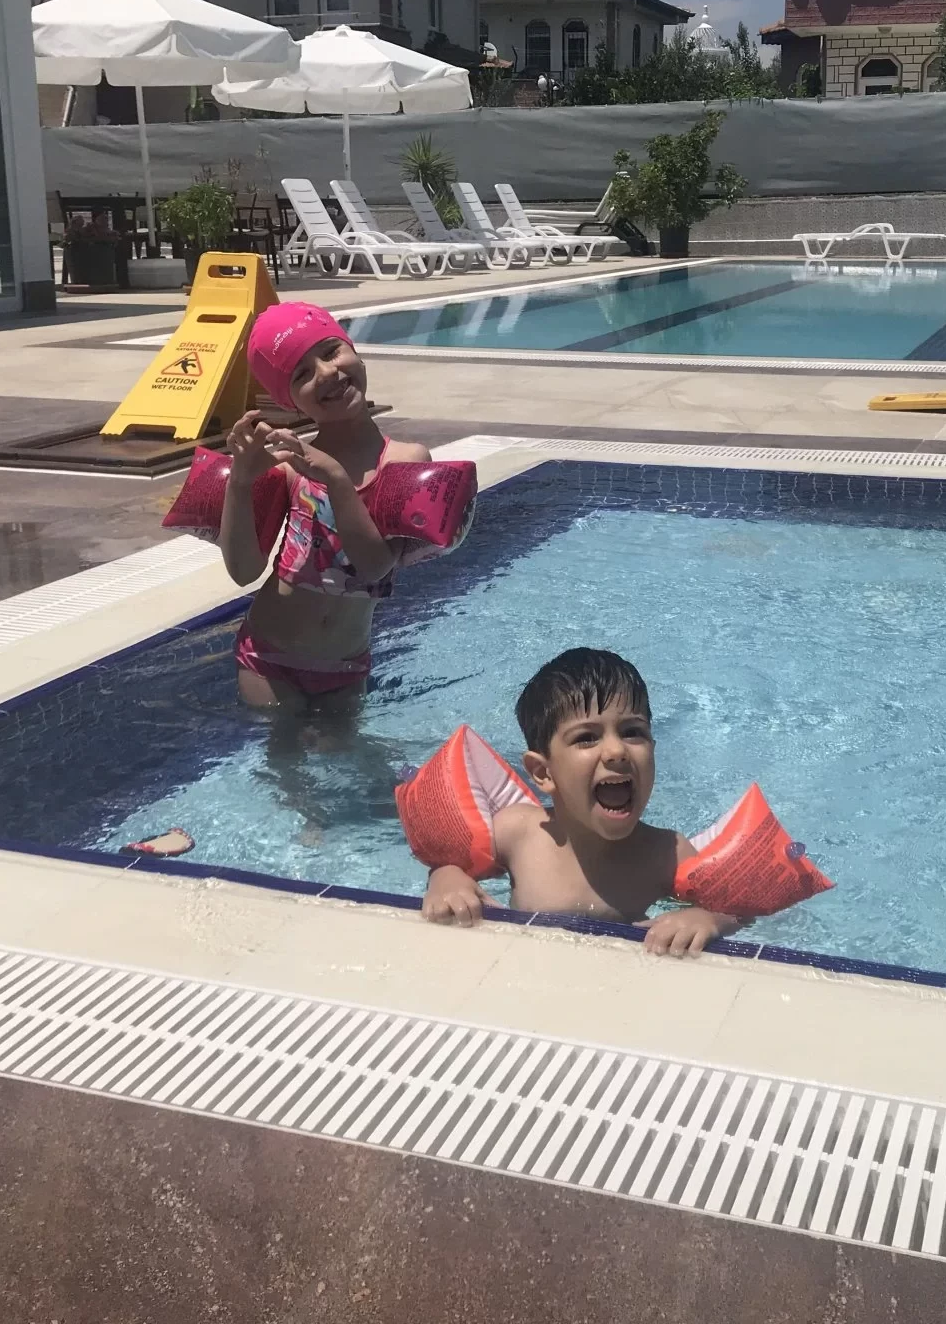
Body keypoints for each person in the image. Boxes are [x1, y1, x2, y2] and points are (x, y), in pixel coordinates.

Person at [420, 649, 743, 957]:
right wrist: (447, 879)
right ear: (543, 772)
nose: (616, 751)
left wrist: (707, 919)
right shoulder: (517, 833)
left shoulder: (666, 853)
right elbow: (452, 866)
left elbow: (735, 909)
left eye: (632, 732)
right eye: (587, 737)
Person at [220, 302, 431, 711]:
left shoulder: (405, 462)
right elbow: (243, 572)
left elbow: (375, 566)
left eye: (331, 352)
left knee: (344, 751)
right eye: (301, 375)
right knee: (283, 752)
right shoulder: (290, 467)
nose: (326, 373)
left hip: (345, 664)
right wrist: (241, 482)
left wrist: (334, 477)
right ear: (290, 402)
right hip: (268, 656)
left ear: (354, 350)